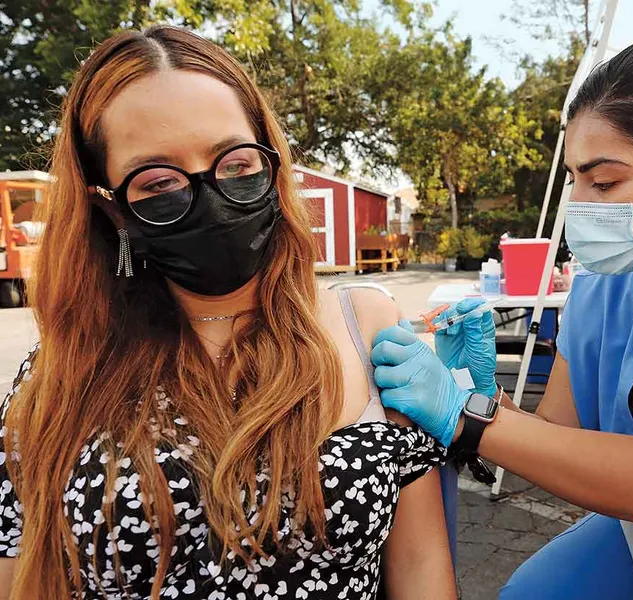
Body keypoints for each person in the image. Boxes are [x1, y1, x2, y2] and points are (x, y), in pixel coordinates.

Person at [0, 26, 457, 600]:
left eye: (236, 163)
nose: (212, 198)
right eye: (158, 181)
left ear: (271, 161)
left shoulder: (366, 325)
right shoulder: (61, 376)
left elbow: (419, 567)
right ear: (111, 209)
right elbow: (22, 573)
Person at [371, 37, 633, 599]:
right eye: (575, 179)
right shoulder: (602, 289)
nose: (579, 204)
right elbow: (556, 435)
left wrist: (468, 420)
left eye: (604, 182)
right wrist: (474, 395)